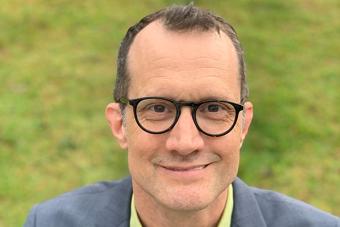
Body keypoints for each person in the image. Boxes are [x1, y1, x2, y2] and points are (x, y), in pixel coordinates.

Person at [24, 4, 339, 227]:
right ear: (119, 124)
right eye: (158, 108)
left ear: (243, 124)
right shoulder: (48, 222)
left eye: (213, 108)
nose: (185, 142)